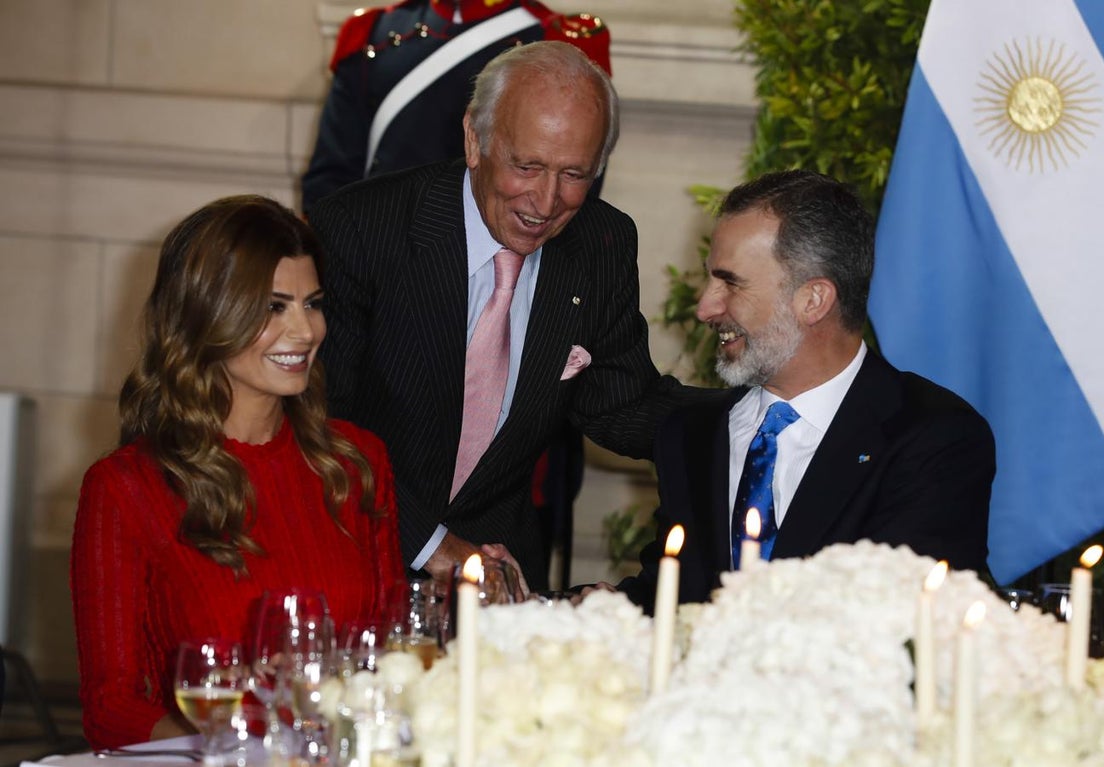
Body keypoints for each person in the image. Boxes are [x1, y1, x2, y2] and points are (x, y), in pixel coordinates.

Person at [308, 41, 712, 591]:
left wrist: (760, 416)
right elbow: (324, 427)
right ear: (476, 139)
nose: (545, 203)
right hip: (353, 559)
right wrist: (436, 547)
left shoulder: (601, 242)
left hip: (503, 583)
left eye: (575, 174)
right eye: (527, 166)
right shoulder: (361, 230)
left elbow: (621, 403)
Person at [70, 196, 406, 749]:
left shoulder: (356, 463)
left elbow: (391, 658)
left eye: (312, 303)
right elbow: (111, 708)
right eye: (273, 307)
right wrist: (238, 743)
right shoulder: (126, 488)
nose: (304, 331)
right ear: (207, 314)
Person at [617, 170, 996, 612]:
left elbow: (912, 624)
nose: (705, 307)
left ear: (814, 300)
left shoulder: (934, 440)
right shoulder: (688, 435)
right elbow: (664, 599)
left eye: (730, 283)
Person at [302, 0, 610, 213]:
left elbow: (573, 192)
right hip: (373, 257)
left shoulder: (553, 39)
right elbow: (330, 179)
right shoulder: (372, 33)